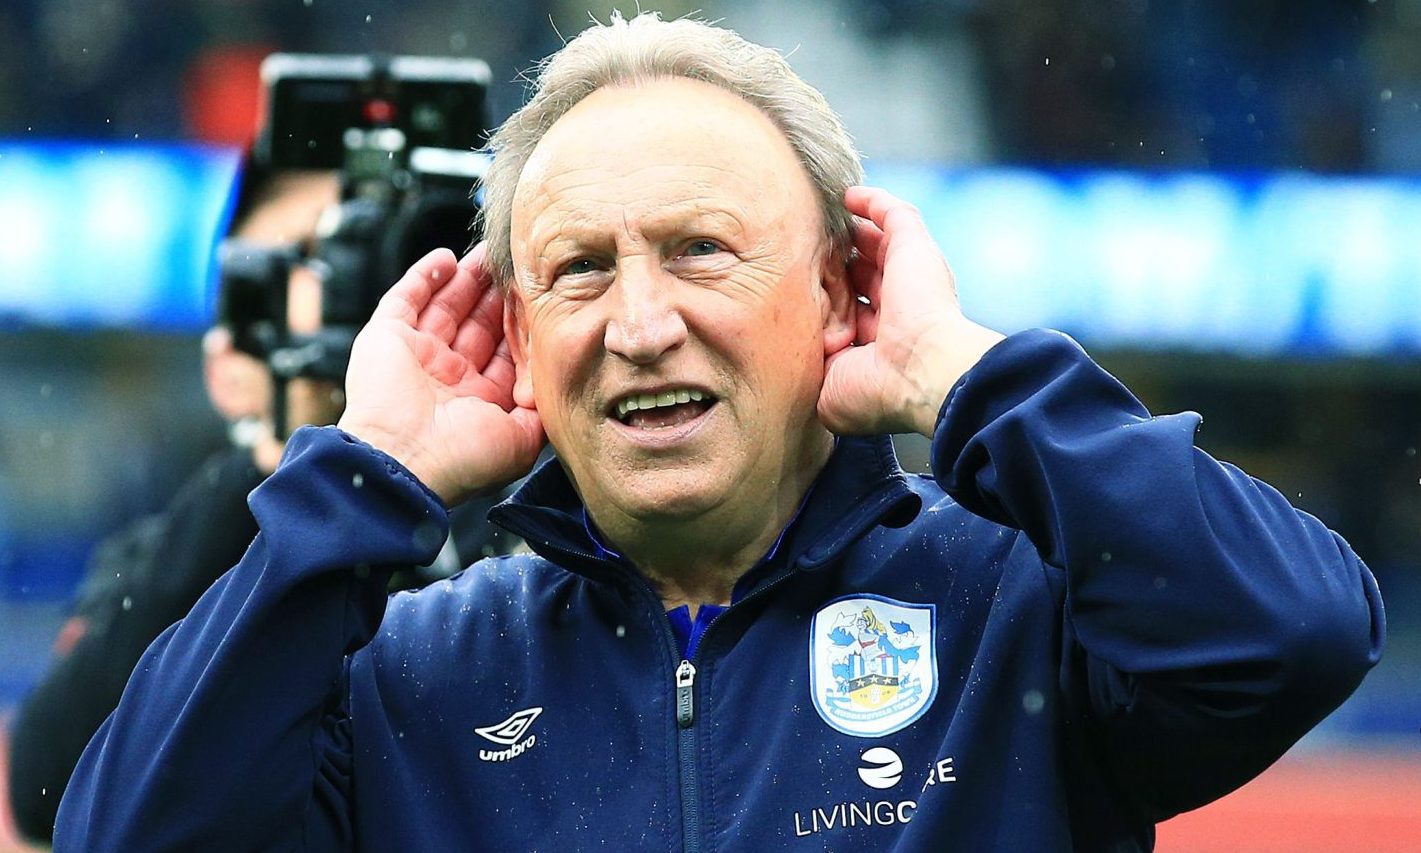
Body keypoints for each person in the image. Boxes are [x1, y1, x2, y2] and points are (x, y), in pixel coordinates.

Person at [54, 13, 1383, 851]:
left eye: (701, 251)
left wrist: (960, 377)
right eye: (578, 268)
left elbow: (1294, 633)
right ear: (513, 336)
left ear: (836, 290)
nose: (639, 322)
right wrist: (356, 486)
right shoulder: (408, 667)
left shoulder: (1013, 607)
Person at [7, 162, 516, 845]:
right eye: (316, 253)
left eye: (406, 241)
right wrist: (294, 466)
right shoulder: (171, 553)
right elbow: (55, 785)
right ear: (225, 365)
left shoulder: (535, 522)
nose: (381, 284)